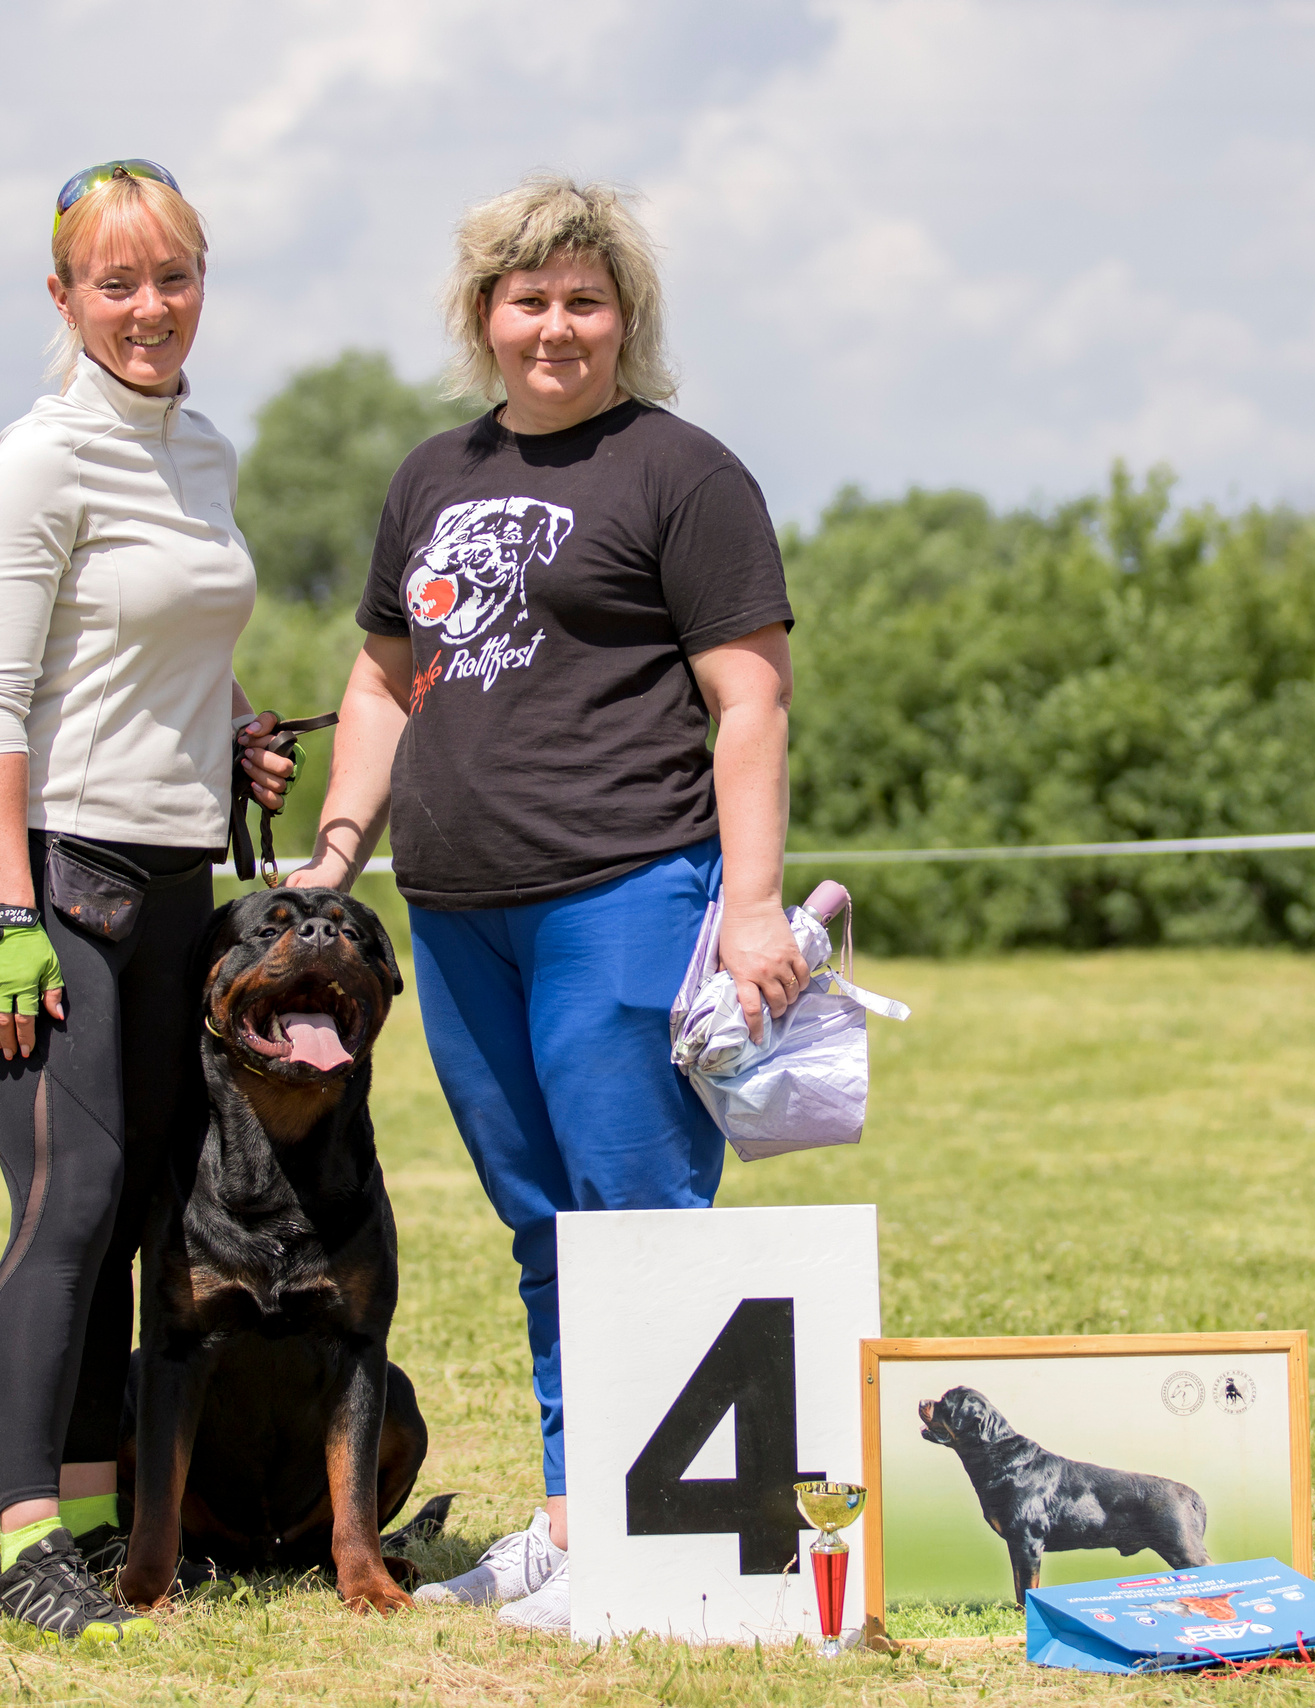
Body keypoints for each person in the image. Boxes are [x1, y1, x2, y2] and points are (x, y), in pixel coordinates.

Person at [289, 174, 808, 1633]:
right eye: (529, 299)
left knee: (635, 1216)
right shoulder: (430, 475)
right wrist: (336, 851)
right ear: (484, 317)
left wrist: (752, 905)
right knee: (541, 1228)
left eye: (586, 299)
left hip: (627, 892)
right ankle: (583, 1518)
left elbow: (750, 702)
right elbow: (388, 680)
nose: (557, 326)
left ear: (624, 319)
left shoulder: (685, 474)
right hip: (454, 914)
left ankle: (667, 1539)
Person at [0, 159, 292, 1642]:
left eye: (173, 277)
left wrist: (228, 733)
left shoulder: (202, 450)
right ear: (65, 298)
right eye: (116, 282)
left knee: (153, 1206)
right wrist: (10, 914)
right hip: (53, 886)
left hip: (177, 877)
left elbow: (153, 653)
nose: (149, 308)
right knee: (66, 1201)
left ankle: (103, 1522)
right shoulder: (39, 459)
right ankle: (26, 1536)